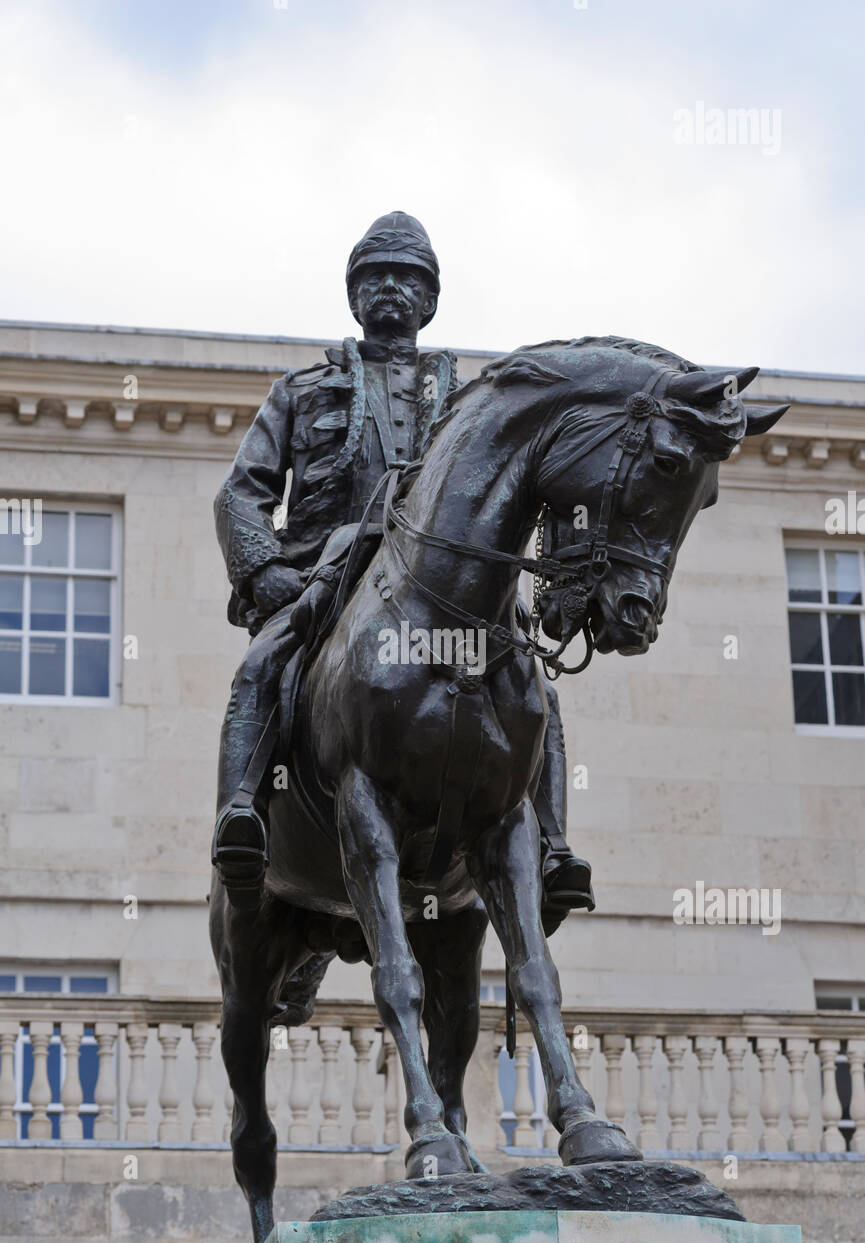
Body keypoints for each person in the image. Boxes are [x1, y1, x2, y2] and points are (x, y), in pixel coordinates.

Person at [212, 211, 593, 923]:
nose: (389, 289)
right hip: (333, 569)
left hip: (445, 585)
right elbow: (240, 493)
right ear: (355, 297)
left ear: (429, 301)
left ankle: (552, 847)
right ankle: (242, 813)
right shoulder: (297, 391)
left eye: (407, 279)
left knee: (535, 692)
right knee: (264, 664)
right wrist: (263, 568)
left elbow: (523, 491)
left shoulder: (470, 404)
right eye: (374, 278)